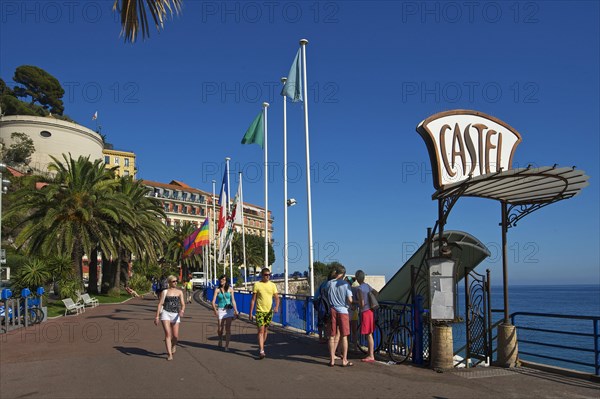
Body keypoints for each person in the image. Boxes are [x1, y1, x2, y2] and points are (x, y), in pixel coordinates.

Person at [326, 265, 353, 367]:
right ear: (343, 274)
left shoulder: (329, 284)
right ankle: (344, 360)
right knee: (344, 336)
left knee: (332, 336)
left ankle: (332, 359)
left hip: (332, 309)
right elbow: (350, 300)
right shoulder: (346, 285)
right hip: (343, 310)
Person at [249, 268, 280, 359]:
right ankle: (262, 350)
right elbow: (253, 300)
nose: (268, 276)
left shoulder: (272, 285)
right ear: (262, 275)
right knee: (261, 330)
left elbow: (277, 298)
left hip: (269, 312)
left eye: (269, 275)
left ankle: (261, 344)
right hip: (260, 311)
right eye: (266, 275)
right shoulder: (257, 285)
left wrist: (276, 307)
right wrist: (250, 312)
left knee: (266, 330)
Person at [154, 275, 185, 361]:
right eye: (174, 281)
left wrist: (182, 310)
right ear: (169, 282)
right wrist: (157, 316)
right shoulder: (165, 292)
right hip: (166, 313)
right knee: (168, 334)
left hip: (175, 314)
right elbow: (160, 304)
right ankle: (169, 354)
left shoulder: (180, 292)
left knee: (175, 336)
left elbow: (183, 304)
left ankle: (173, 345)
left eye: (176, 281)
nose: (175, 283)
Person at [211, 274, 239, 351]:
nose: (221, 281)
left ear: (226, 281)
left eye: (223, 279)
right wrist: (215, 310)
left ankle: (226, 346)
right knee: (220, 328)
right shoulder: (217, 290)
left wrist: (236, 310)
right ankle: (220, 339)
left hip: (229, 310)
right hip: (220, 309)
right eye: (220, 279)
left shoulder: (230, 289)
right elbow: (213, 302)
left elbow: (233, 300)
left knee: (228, 329)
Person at [355, 269, 377, 363]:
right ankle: (370, 353)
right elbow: (376, 292)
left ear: (357, 278)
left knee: (368, 334)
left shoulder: (360, 289)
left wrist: (354, 302)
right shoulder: (367, 286)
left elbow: (362, 303)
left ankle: (371, 355)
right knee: (370, 333)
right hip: (371, 310)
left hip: (365, 311)